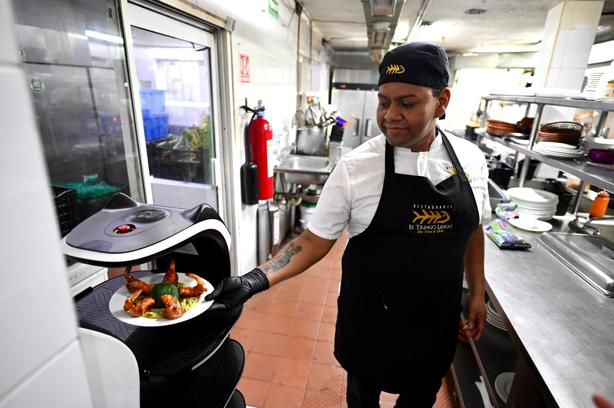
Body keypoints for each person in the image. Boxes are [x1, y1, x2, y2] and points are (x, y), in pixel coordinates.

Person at [206, 42, 490, 407]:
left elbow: (474, 227)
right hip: (371, 322)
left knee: (421, 396)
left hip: (435, 320)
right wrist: (253, 280)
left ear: (442, 101)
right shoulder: (357, 168)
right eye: (384, 101)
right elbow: (312, 241)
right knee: (362, 396)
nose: (390, 115)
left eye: (408, 102)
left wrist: (477, 292)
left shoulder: (470, 159)